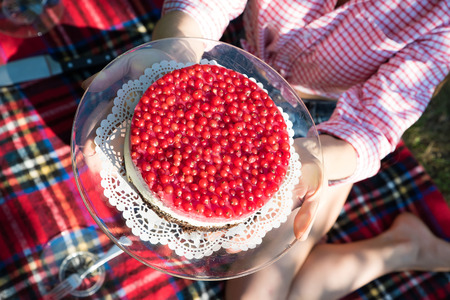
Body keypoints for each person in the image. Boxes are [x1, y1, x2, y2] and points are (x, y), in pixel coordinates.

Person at [87, 0, 450, 299]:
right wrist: (174, 50)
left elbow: (373, 125)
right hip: (229, 82)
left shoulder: (441, 14)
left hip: (324, 128)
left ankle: (401, 249)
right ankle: (406, 247)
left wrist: (313, 159)